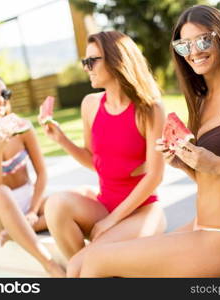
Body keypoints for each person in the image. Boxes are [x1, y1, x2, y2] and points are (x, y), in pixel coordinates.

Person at [75, 5, 220, 277]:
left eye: (203, 40)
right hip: (202, 227)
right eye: (184, 46)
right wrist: (184, 163)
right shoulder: (202, 100)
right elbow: (210, 177)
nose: (194, 52)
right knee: (81, 263)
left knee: (96, 262)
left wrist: (217, 164)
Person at [40, 31, 167, 277]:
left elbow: (154, 176)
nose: (86, 68)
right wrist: (61, 139)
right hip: (105, 204)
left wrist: (111, 221)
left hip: (142, 212)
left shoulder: (149, 109)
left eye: (92, 61)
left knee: (82, 266)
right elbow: (93, 160)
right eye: (84, 62)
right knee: (55, 205)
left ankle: (84, 268)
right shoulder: (90, 104)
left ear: (116, 60)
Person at [0, 73, 64, 277]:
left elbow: (42, 173)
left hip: (28, 200)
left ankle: (18, 229)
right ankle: (50, 265)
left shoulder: (23, 126)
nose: (0, 100)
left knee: (67, 202)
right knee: (0, 191)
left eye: (4, 94)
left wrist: (33, 211)